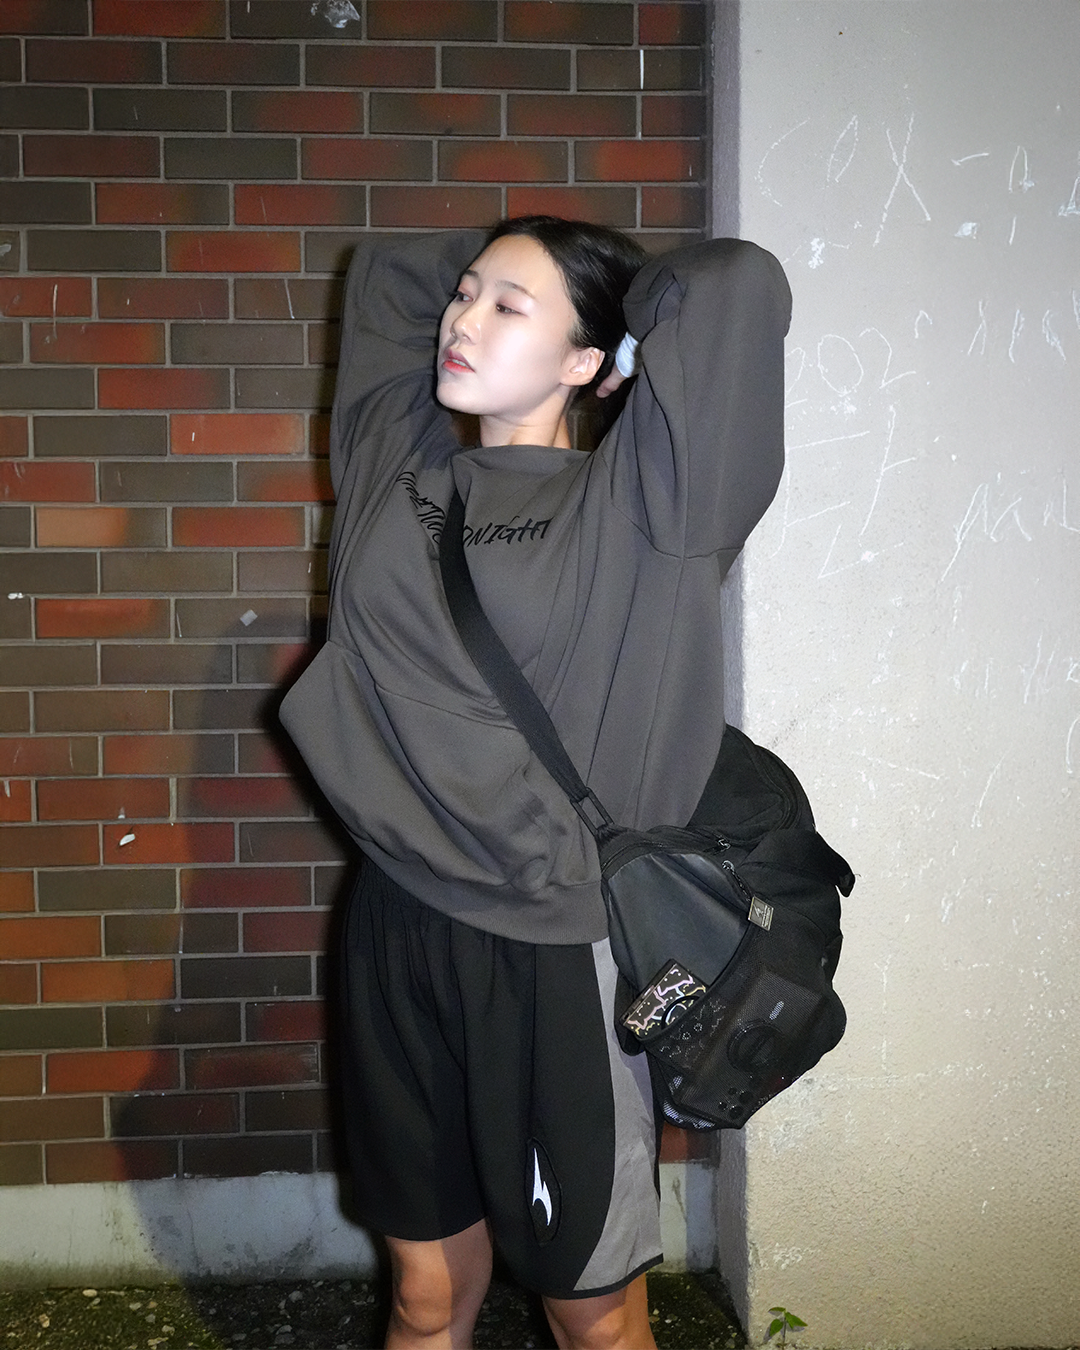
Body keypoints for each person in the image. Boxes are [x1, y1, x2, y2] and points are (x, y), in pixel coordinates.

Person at [280, 216, 791, 1349]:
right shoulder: (397, 466)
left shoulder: (649, 509)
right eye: (466, 295)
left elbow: (733, 283)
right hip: (395, 924)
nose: (462, 319)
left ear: (586, 358)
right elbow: (391, 274)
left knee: (592, 1316)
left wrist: (625, 310)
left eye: (509, 307)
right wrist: (512, 261)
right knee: (424, 1298)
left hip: (551, 945)